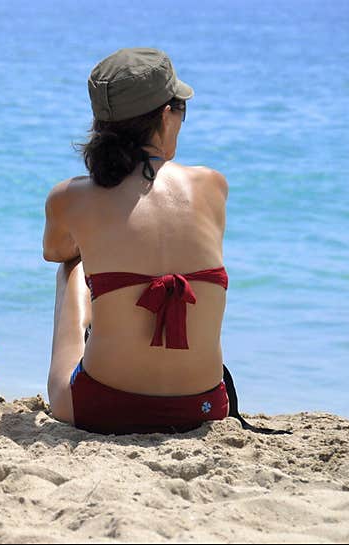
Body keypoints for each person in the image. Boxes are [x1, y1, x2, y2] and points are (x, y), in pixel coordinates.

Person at [42, 47, 231, 435]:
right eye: (181, 111)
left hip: (99, 407)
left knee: (73, 267)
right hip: (205, 405)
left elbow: (54, 252)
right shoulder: (213, 185)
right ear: (166, 114)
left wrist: (100, 240)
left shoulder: (69, 196)